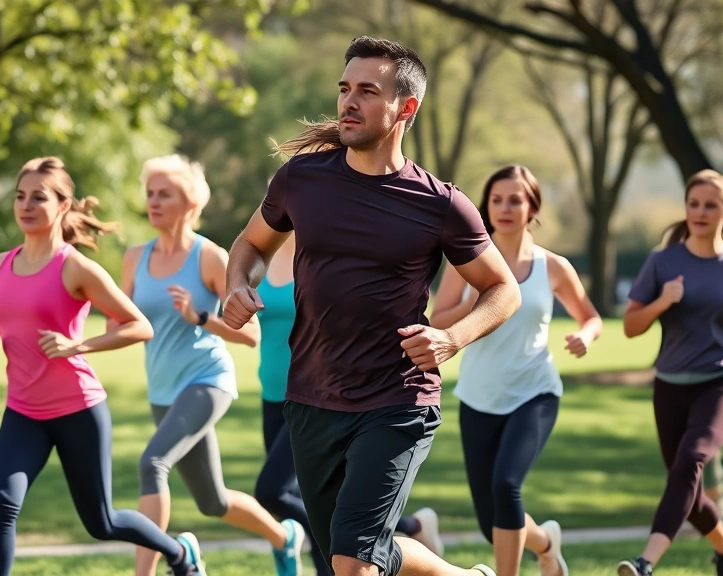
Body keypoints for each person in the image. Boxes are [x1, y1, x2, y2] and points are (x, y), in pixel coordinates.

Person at [223, 36, 521, 576]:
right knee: (353, 552)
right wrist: (236, 284)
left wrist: (452, 338)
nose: (348, 102)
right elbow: (249, 246)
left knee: (352, 562)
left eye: (366, 90)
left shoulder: (442, 204)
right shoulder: (301, 179)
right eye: (344, 89)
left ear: (405, 108)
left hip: (396, 399)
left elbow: (504, 289)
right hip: (311, 397)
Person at [0, 157, 207, 576]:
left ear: (62, 205)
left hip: (77, 410)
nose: (25, 205)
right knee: (3, 504)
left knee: (102, 522)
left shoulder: (75, 268)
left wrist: (79, 345)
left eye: (38, 197)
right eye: (19, 197)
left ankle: (181, 554)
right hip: (22, 411)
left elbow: (140, 326)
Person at [119, 154, 305, 576]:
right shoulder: (134, 258)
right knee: (213, 501)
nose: (153, 201)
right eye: (150, 193)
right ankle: (285, 537)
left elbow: (251, 333)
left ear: (190, 202)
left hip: (207, 380)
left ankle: (158, 567)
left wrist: (201, 318)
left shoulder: (209, 257)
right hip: (162, 388)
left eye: (164, 193)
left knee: (152, 464)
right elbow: (122, 318)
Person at [431, 165, 602, 576]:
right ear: (486, 207)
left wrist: (586, 337)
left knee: (506, 485)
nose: (505, 208)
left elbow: (591, 317)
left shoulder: (553, 266)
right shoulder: (465, 261)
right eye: (497, 199)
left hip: (535, 393)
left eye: (515, 199)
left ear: (532, 207)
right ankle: (546, 543)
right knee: (495, 524)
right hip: (478, 396)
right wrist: (482, 297)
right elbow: (438, 320)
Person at [617, 169, 723, 576]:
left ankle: (644, 563)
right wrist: (662, 302)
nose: (700, 211)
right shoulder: (663, 261)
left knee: (690, 461)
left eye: (711, 205)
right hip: (671, 385)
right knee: (687, 489)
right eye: (694, 203)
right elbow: (630, 325)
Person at [254, 232, 447, 576]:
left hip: (319, 396)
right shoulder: (262, 257)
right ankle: (409, 527)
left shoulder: (325, 251)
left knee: (273, 491)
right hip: (272, 397)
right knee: (320, 505)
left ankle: (384, 537)